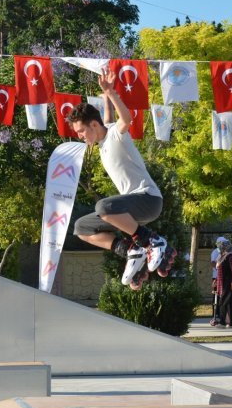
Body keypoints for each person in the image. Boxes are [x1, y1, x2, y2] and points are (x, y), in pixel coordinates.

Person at [70, 68, 176, 290]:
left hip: (148, 199)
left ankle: (151, 241)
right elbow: (106, 117)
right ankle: (129, 250)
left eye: (81, 131)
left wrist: (112, 92)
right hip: (129, 211)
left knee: (104, 206)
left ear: (94, 125)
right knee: (82, 228)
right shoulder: (102, 139)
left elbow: (125, 119)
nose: (80, 136)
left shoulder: (116, 135)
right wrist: (105, 96)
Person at [215, 239, 232, 328]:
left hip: (228, 282)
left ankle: (222, 322)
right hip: (222, 282)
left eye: (221, 246)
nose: (219, 247)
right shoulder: (222, 255)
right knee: (229, 302)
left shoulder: (231, 256)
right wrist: (216, 280)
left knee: (222, 302)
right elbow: (219, 269)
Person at [209, 236, 226, 325]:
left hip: (223, 277)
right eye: (223, 243)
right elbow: (212, 262)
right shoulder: (215, 252)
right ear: (219, 244)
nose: (224, 244)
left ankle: (221, 313)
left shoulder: (225, 252)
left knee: (222, 295)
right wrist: (218, 269)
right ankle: (215, 314)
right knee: (215, 296)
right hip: (216, 277)